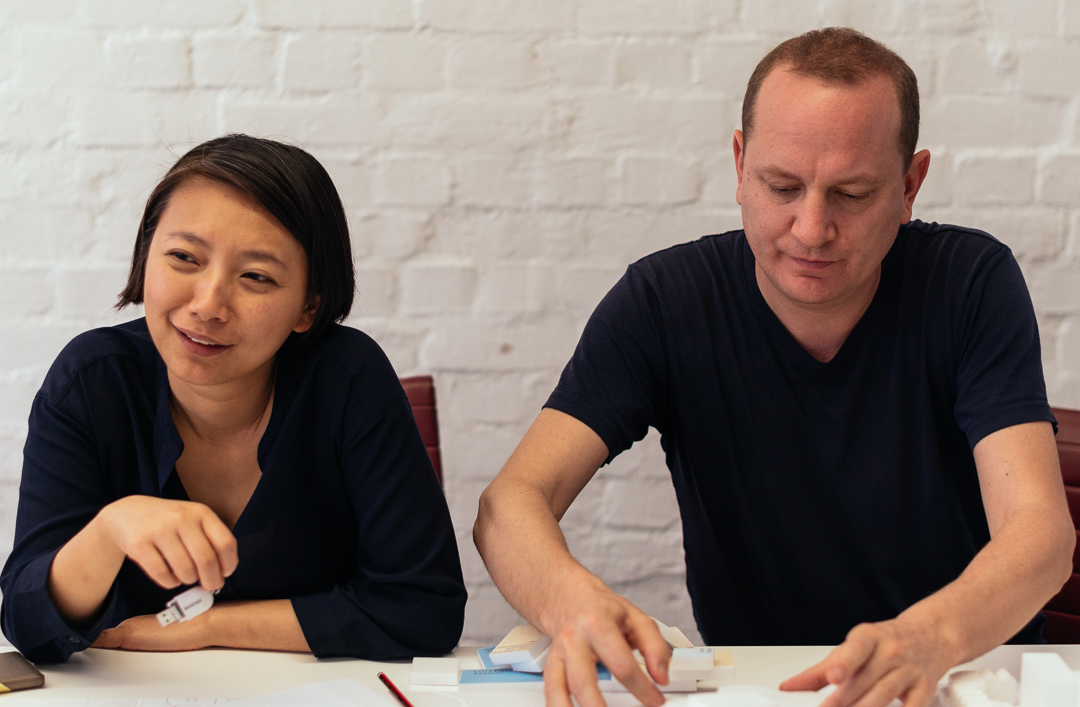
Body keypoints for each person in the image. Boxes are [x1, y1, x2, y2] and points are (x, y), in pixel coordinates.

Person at [473, 27, 1075, 707]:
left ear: (910, 186)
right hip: (759, 689)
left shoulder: (970, 282)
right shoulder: (665, 301)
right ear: (738, 165)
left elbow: (1042, 532)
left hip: (963, 676)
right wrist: (569, 600)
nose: (811, 229)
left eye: (851, 194)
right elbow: (508, 504)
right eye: (782, 185)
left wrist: (930, 635)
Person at [1, 134, 467, 664]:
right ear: (144, 257)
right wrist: (110, 531)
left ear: (307, 308)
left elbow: (425, 609)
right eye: (183, 257)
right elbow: (25, 621)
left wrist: (203, 626)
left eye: (256, 277)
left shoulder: (348, 378)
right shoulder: (92, 381)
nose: (208, 304)